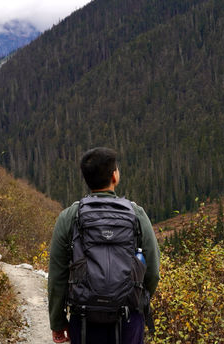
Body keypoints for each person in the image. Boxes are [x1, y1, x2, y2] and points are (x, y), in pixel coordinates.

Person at [48, 147, 160, 343]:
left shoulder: (69, 217)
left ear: (86, 178)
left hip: (84, 318)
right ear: (114, 176)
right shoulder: (137, 214)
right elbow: (153, 272)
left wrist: (57, 322)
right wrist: (138, 299)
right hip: (128, 317)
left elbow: (58, 275)